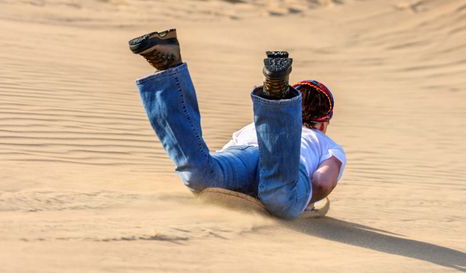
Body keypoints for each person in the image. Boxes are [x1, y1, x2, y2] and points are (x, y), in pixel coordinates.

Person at [128, 29, 346, 219]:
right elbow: (322, 182)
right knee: (279, 197)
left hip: (244, 151)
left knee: (201, 174)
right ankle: (275, 97)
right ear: (324, 121)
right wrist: (305, 200)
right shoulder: (326, 144)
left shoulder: (252, 127)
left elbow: (224, 154)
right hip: (288, 164)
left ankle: (168, 69)